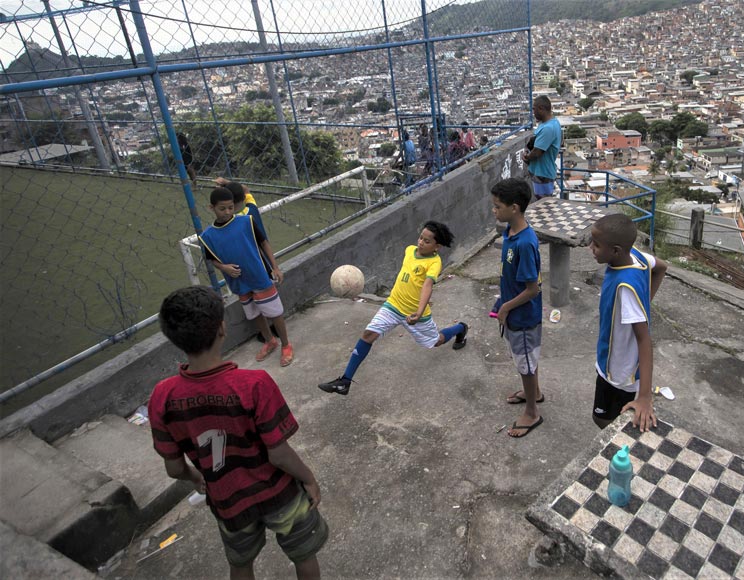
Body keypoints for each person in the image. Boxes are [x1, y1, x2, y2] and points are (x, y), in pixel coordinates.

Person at [148, 286, 327, 580]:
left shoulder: (162, 396)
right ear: (222, 328)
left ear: (172, 338)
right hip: (278, 493)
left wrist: (196, 478)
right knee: (303, 553)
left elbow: (174, 467)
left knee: (240, 563)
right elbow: (279, 454)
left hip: (227, 501)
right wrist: (308, 478)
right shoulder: (253, 384)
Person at [318, 221, 468, 396]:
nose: (421, 242)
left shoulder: (434, 263)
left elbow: (427, 285)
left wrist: (419, 312)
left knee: (436, 341)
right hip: (393, 305)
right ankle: (345, 381)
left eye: (427, 241)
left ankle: (461, 328)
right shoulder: (409, 250)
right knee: (368, 335)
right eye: (421, 237)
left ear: (438, 246)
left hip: (414, 313)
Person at [588, 213, 667, 433]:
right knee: (608, 417)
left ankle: (618, 448)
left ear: (615, 250)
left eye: (596, 245)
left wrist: (644, 396)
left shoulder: (625, 286)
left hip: (618, 372)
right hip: (617, 363)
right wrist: (645, 304)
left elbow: (644, 340)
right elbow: (661, 266)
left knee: (603, 419)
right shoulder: (636, 256)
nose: (590, 248)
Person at [199, 187, 294, 366]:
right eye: (222, 209)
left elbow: (264, 242)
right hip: (238, 282)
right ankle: (269, 340)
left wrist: (275, 267)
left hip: (259, 276)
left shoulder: (247, 221)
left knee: (274, 312)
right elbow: (212, 259)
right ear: (211, 208)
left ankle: (286, 344)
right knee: (254, 313)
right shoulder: (207, 236)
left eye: (230, 207)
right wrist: (224, 267)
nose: (227, 212)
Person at [490, 178, 544, 438]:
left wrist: (506, 308)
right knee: (527, 357)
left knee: (526, 362)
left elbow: (532, 289)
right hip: (513, 310)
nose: (494, 210)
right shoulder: (510, 233)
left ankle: (532, 412)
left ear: (514, 208)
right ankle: (534, 392)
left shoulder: (525, 242)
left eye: (497, 206)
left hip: (522, 317)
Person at [522, 96, 561, 200]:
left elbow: (537, 152)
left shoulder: (548, 128)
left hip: (543, 173)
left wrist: (527, 157)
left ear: (541, 108)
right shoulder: (549, 123)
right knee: (541, 203)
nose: (533, 112)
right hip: (541, 172)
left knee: (544, 205)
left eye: (534, 109)